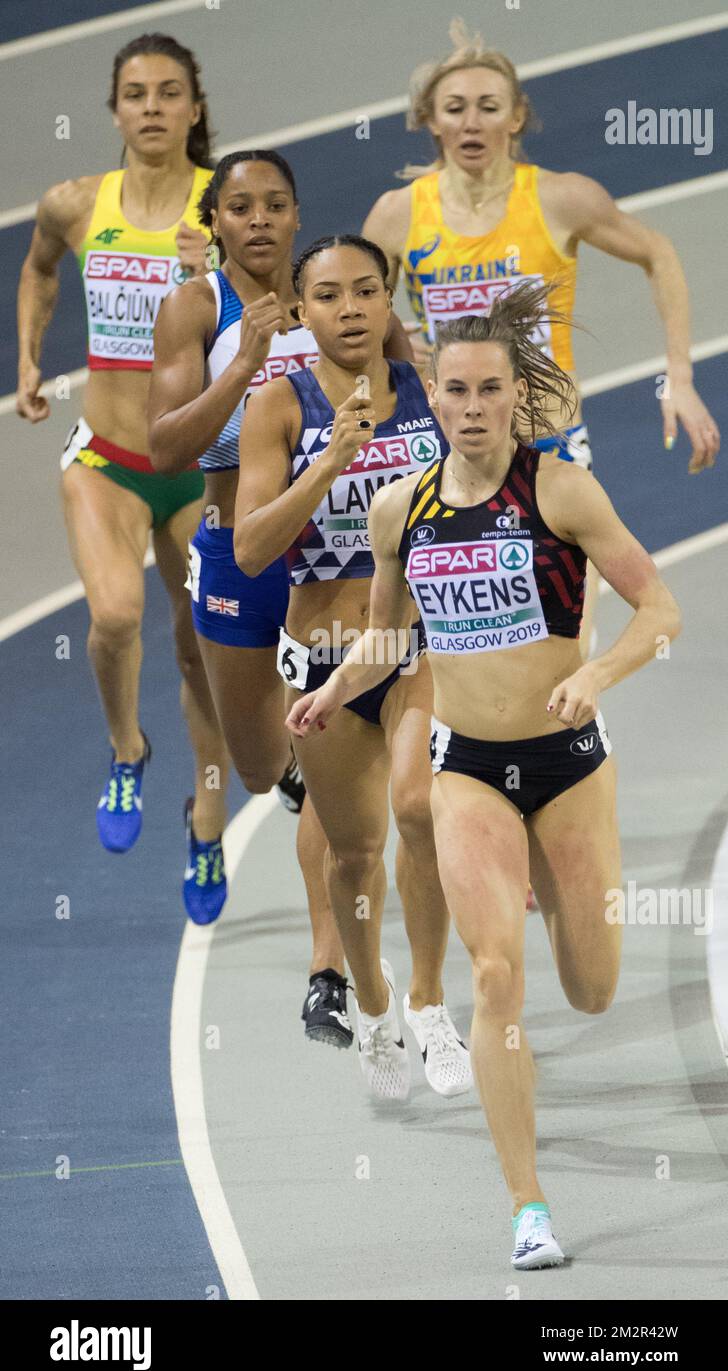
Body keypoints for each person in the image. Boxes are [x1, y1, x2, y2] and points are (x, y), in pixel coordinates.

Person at [285, 281, 681, 1269]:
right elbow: (387, 636)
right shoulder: (399, 509)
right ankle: (527, 1208)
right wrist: (333, 689)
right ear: (431, 389)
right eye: (451, 390)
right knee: (495, 975)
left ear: (514, 396)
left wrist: (592, 672)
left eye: (487, 390)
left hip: (566, 764)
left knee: (590, 988)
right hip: (466, 767)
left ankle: (555, 884)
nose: (468, 407)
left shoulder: (559, 491)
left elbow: (658, 610)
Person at [363, 19, 718, 658]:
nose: (472, 123)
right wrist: (396, 345)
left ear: (516, 118)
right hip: (450, 458)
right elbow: (357, 314)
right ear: (430, 122)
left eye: (489, 108)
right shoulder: (398, 214)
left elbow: (659, 253)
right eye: (455, 109)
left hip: (549, 450)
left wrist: (681, 380)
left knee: (565, 652)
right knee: (449, 649)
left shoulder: (559, 199)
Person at [234, 234, 473, 1101]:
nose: (350, 310)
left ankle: (430, 1001)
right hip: (323, 652)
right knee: (353, 851)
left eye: (366, 291)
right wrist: (328, 461)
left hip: (412, 645)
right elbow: (254, 547)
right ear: (302, 311)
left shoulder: (423, 386)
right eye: (329, 296)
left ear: (388, 300)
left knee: (420, 810)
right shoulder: (280, 407)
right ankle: (370, 1003)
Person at [15, 33, 229, 925]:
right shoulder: (73, 204)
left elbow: (281, 306)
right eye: (135, 93)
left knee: (200, 648)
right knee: (113, 616)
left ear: (192, 108)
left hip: (195, 464)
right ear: (113, 110)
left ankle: (207, 825)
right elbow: (37, 270)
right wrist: (28, 358)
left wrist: (208, 280)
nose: (150, 107)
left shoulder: (229, 206)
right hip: (106, 460)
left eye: (167, 92)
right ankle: (126, 750)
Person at [149, 149, 349, 1045]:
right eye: (239, 207)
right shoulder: (197, 307)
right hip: (236, 556)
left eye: (275, 204)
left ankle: (331, 973)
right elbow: (164, 449)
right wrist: (246, 367)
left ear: (297, 214)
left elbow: (398, 389)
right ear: (217, 221)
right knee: (264, 770)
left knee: (340, 759)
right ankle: (305, 776)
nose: (259, 220)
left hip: (329, 556)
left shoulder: (334, 295)